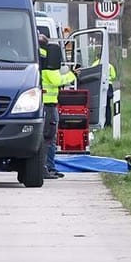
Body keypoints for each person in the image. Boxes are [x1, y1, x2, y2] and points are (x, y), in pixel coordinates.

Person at [37, 34, 76, 180]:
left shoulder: (37, 64)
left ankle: (48, 167)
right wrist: (73, 75)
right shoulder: (49, 66)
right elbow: (57, 81)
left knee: (46, 138)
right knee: (49, 139)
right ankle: (47, 168)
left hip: (42, 105)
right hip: (49, 105)